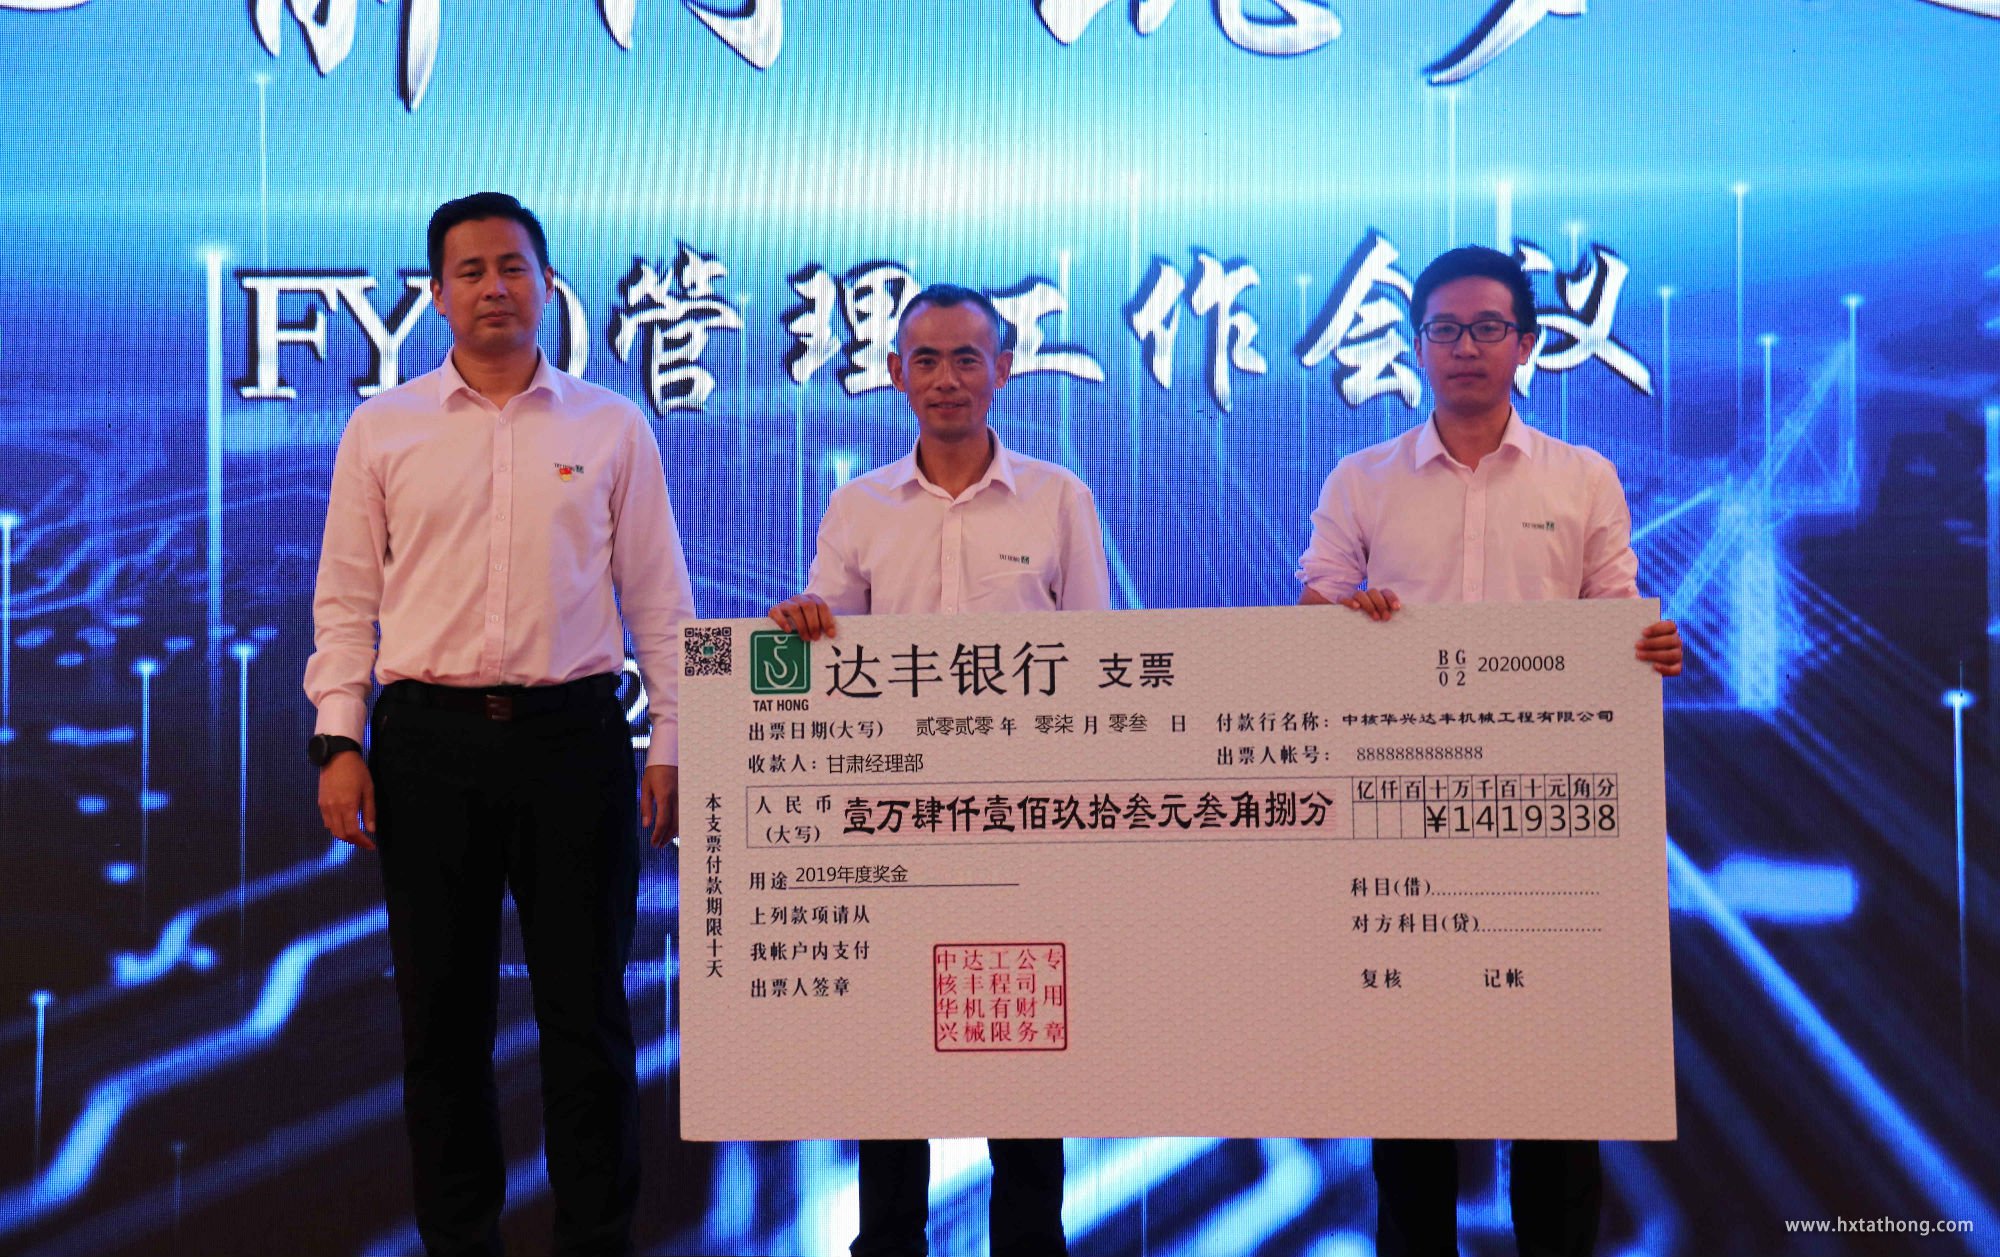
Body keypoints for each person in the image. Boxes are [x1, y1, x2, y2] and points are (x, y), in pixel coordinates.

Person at [305, 191, 695, 1257]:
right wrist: (340, 739)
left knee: (587, 1018)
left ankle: (596, 1241)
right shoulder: (384, 426)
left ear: (547, 285)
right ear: (436, 294)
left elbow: (660, 600)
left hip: (575, 744)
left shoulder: (610, 425)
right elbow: (345, 599)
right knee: (442, 1026)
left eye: (513, 267)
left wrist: (672, 740)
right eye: (470, 270)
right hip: (426, 747)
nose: (493, 288)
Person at [1296, 245, 1683, 1257]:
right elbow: (1311, 613)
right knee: (1410, 1101)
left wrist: (1647, 646)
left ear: (1525, 343)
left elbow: (1614, 621)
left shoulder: (1581, 476)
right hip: (1399, 823)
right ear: (1415, 344)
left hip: (1543, 829)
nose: (1463, 347)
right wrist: (1343, 619)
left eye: (1485, 329)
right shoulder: (1362, 478)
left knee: (1554, 1099)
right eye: (1443, 329)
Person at [768, 283, 1107, 1257]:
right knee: (892, 1070)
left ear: (1002, 369)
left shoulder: (1059, 498)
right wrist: (800, 624)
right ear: (894, 374)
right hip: (896, 828)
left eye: (967, 358)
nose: (947, 378)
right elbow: (824, 663)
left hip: (1026, 826)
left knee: (1024, 1066)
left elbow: (1100, 662)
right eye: (926, 359)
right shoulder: (858, 505)